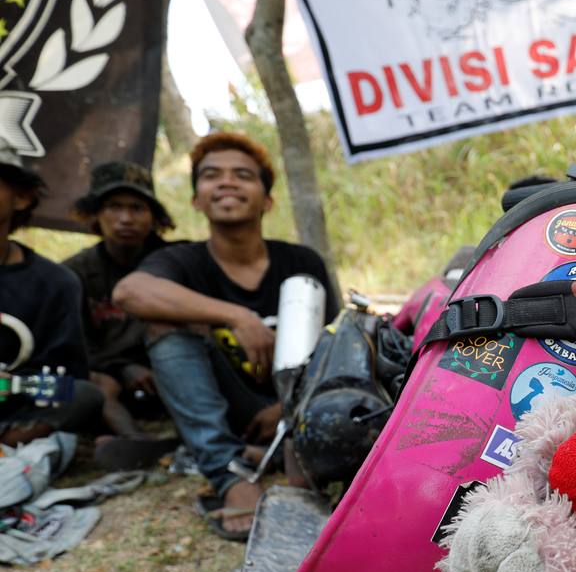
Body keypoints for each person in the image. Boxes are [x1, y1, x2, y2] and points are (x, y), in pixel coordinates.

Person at [113, 132, 338, 539]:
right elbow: (129, 292)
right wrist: (236, 316)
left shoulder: (300, 260)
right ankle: (230, 471)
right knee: (164, 325)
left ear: (267, 201)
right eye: (212, 175)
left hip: (296, 406)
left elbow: (336, 342)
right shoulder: (180, 260)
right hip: (228, 405)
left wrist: (288, 405)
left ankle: (288, 451)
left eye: (243, 175)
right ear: (197, 200)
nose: (227, 183)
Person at [63, 161, 180, 468]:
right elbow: (75, 344)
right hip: (113, 380)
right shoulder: (75, 273)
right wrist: (122, 367)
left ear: (153, 216)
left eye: (137, 208)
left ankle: (194, 435)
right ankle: (137, 443)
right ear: (96, 215)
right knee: (96, 383)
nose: (125, 218)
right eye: (114, 207)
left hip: (173, 370)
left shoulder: (176, 260)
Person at [0, 149, 104, 446]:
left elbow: (67, 383)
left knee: (84, 395)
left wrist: (14, 386)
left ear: (21, 198)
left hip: (15, 414)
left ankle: (9, 445)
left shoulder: (56, 282)